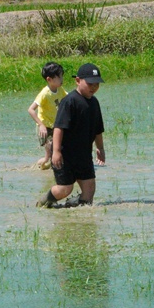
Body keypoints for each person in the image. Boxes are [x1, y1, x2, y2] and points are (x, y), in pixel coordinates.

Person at [37, 63, 105, 208]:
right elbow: (58, 128)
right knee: (65, 189)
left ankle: (74, 207)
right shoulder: (69, 101)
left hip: (84, 154)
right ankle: (43, 203)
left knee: (89, 191)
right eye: (90, 84)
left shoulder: (94, 103)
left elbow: (98, 129)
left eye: (97, 84)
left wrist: (100, 148)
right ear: (78, 81)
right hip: (65, 155)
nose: (94, 87)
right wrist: (56, 152)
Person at [27, 62, 66, 169]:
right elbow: (31, 110)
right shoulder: (44, 93)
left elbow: (68, 99)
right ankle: (42, 165)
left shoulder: (60, 90)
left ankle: (48, 165)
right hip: (45, 128)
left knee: (56, 151)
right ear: (49, 79)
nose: (62, 79)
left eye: (62, 76)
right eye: (59, 77)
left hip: (55, 126)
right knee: (51, 153)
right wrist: (41, 125)